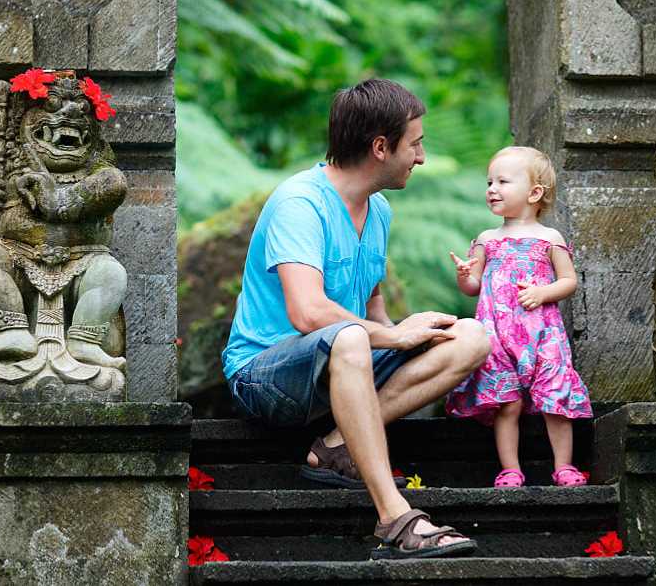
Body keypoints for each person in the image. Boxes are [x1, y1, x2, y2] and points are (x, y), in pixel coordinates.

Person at [222, 79, 490, 559]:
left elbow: (373, 310)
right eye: (416, 144)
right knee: (346, 337)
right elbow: (307, 312)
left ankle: (335, 444)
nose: (422, 157)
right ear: (381, 147)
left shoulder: (379, 210)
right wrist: (393, 337)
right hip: (265, 378)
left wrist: (411, 332)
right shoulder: (299, 202)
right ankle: (394, 519)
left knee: (468, 336)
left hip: (344, 364)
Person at [447, 146, 592, 488]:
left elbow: (568, 281)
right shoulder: (487, 240)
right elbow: (473, 287)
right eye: (489, 182)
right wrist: (465, 276)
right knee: (506, 402)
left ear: (534, 192)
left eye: (502, 181)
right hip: (496, 334)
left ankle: (564, 466)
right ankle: (510, 468)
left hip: (542, 333)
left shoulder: (549, 238)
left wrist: (543, 293)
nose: (492, 189)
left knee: (554, 397)